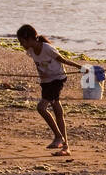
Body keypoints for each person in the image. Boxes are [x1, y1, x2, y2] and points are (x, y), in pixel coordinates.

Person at [16, 24, 83, 156]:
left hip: (57, 80)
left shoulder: (47, 48)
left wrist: (80, 67)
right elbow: (39, 66)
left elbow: (62, 60)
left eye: (22, 42)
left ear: (29, 38)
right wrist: (42, 75)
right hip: (46, 82)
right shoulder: (30, 51)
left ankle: (59, 137)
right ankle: (65, 147)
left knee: (41, 107)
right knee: (57, 110)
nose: (21, 45)